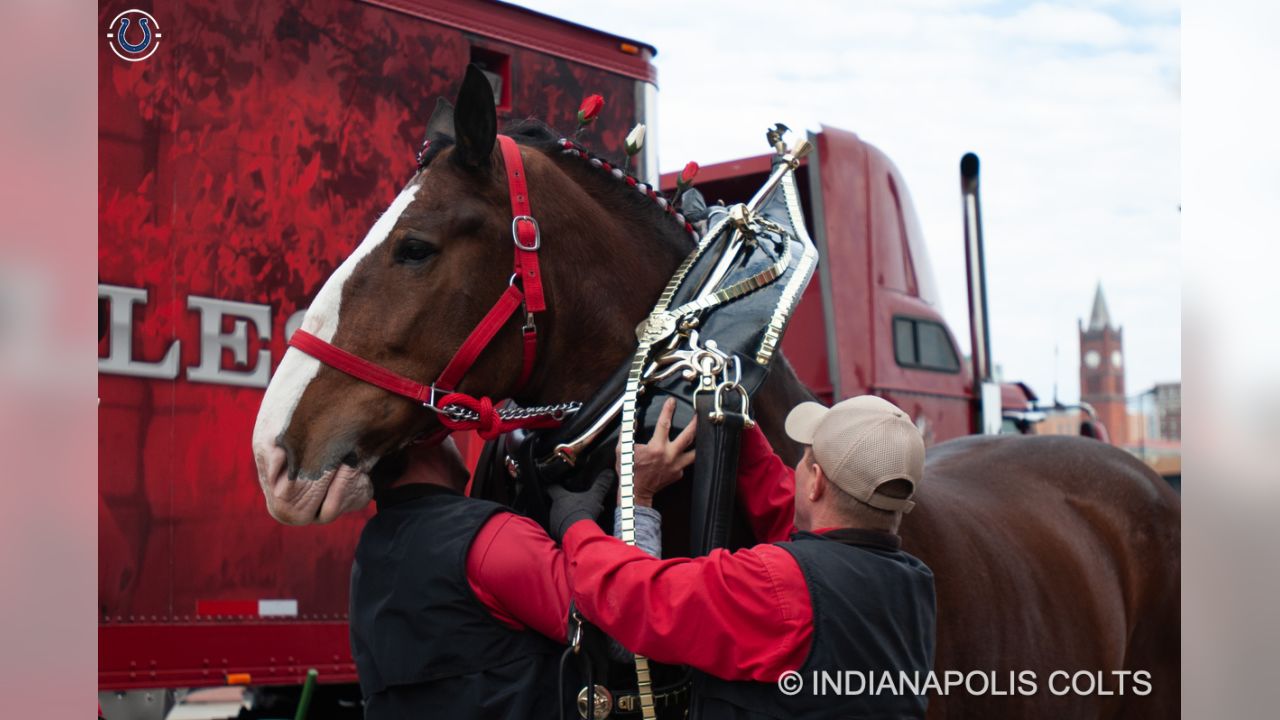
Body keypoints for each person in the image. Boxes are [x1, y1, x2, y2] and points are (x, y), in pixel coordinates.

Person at [550, 396, 938, 719]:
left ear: (816, 482)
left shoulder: (778, 585)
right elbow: (803, 517)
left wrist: (578, 524)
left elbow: (637, 600)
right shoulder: (913, 583)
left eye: (803, 460)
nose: (796, 471)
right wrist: (739, 429)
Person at [347, 400, 684, 719]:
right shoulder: (489, 537)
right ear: (421, 441)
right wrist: (638, 496)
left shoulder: (369, 553)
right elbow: (625, 631)